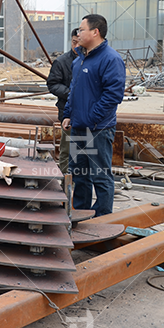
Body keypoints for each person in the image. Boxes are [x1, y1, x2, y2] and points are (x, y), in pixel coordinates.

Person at [62, 14, 125, 217]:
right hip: (79, 127)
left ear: (95, 32)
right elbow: (74, 90)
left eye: (81, 29)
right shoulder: (79, 59)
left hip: (99, 128)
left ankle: (102, 220)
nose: (78, 33)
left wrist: (92, 117)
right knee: (80, 175)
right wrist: (68, 114)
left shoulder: (110, 59)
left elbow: (113, 95)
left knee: (100, 176)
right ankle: (81, 215)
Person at [46, 28, 81, 173]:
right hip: (67, 111)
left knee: (85, 151)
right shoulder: (61, 62)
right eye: (74, 42)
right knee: (67, 149)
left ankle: (81, 181)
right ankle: (65, 182)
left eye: (80, 42)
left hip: (88, 114)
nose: (77, 46)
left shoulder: (92, 61)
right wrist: (70, 93)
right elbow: (52, 84)